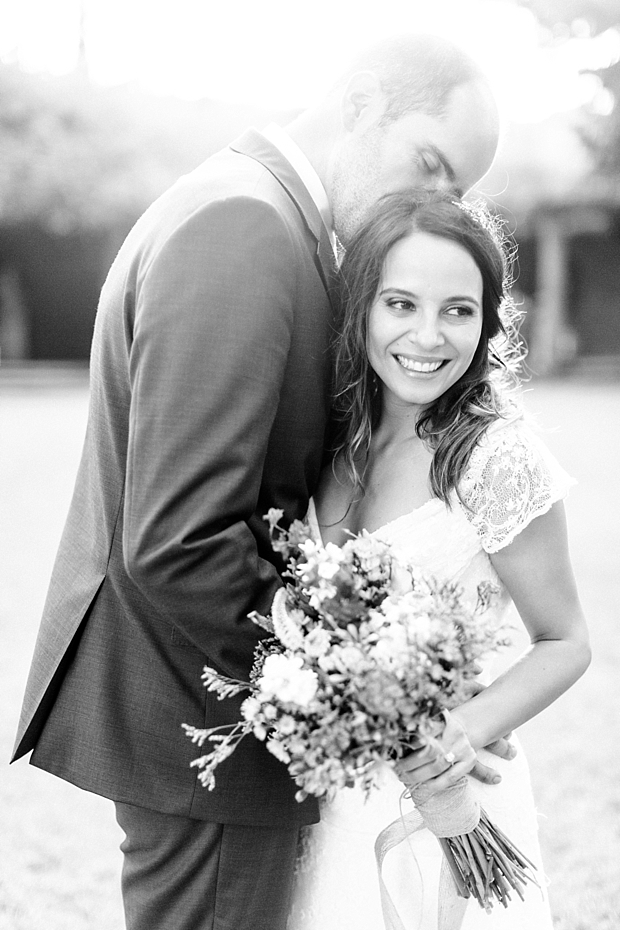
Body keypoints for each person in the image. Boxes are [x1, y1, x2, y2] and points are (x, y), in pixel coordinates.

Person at [12, 35, 501, 930]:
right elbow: (181, 540)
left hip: (215, 722)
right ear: (360, 105)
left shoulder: (262, 214)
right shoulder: (243, 226)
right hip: (204, 729)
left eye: (458, 192)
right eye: (430, 164)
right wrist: (378, 697)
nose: (435, 206)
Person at [287, 190, 591, 930]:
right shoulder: (330, 441)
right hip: (334, 800)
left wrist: (459, 733)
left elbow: (566, 641)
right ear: (360, 307)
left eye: (459, 310)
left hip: (445, 794)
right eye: (401, 304)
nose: (429, 336)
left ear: (487, 320)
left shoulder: (495, 456)